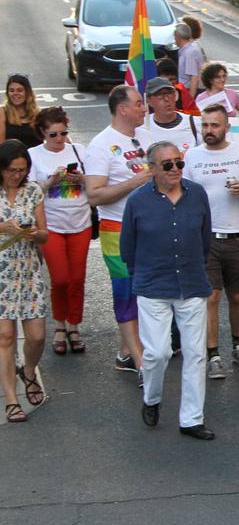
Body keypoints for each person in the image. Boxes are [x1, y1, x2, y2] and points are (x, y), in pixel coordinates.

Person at [122, 141, 213, 439]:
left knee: (195, 354)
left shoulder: (197, 194)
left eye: (179, 162)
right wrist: (142, 276)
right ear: (152, 169)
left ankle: (192, 419)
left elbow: (204, 239)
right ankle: (152, 398)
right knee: (158, 353)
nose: (175, 169)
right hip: (152, 285)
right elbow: (128, 248)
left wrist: (195, 267)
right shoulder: (137, 201)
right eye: (168, 164)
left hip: (192, 283)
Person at [184, 105, 239, 379]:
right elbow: (182, 196)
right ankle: (213, 355)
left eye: (215, 125)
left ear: (225, 126)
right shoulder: (193, 156)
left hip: (238, 235)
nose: (209, 130)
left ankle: (238, 346)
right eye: (205, 125)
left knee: (237, 295)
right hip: (204, 237)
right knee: (211, 296)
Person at [84, 86, 152, 376]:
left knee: (145, 295)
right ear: (121, 108)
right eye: (138, 104)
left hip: (149, 229)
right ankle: (141, 364)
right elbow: (95, 195)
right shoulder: (101, 145)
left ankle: (126, 352)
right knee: (126, 293)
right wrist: (138, 181)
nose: (144, 109)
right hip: (117, 230)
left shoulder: (147, 137)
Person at [29, 108, 90, 356]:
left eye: (64, 133)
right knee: (61, 279)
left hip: (81, 223)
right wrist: (51, 181)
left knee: (77, 279)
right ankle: (59, 325)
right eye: (54, 134)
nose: (59, 139)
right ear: (43, 132)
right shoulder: (34, 155)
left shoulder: (80, 151)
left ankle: (74, 326)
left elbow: (96, 183)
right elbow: (30, 193)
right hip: (51, 225)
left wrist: (81, 178)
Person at [0, 140, 48, 423]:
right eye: (11, 170)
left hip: (28, 271)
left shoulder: (33, 191)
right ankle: (10, 399)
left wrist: (35, 235)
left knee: (37, 336)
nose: (16, 175)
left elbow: (45, 233)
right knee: (5, 338)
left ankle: (28, 371)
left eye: (21, 169)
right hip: (1, 273)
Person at [143, 76, 200, 154]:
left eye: (169, 93)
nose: (166, 99)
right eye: (160, 95)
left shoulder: (195, 123)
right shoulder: (143, 127)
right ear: (149, 101)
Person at [1, 75, 40, 148]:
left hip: (36, 158)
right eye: (11, 90)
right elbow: (1, 144)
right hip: (10, 158)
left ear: (27, 92)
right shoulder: (2, 112)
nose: (15, 93)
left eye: (20, 90)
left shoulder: (38, 114)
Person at [175, 23, 205, 100]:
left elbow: (194, 77)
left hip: (190, 91)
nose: (174, 39)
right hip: (184, 90)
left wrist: (190, 99)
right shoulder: (188, 49)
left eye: (174, 37)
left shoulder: (190, 52)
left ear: (178, 37)